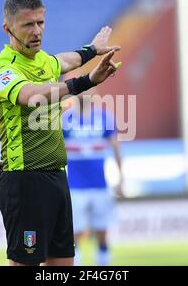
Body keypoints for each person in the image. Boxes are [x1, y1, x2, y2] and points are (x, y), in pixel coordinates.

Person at [0, 0, 121, 266]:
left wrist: (91, 51)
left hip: (58, 179)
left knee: (63, 264)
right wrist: (85, 82)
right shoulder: (2, 69)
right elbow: (31, 95)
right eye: (28, 25)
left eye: (41, 23)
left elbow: (65, 60)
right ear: (8, 28)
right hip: (24, 181)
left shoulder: (43, 61)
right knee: (25, 263)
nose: (37, 31)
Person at [62, 94, 124, 266]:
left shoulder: (104, 117)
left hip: (100, 186)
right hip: (74, 187)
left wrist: (121, 178)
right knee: (74, 235)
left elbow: (116, 148)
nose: (84, 94)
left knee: (102, 233)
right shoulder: (65, 119)